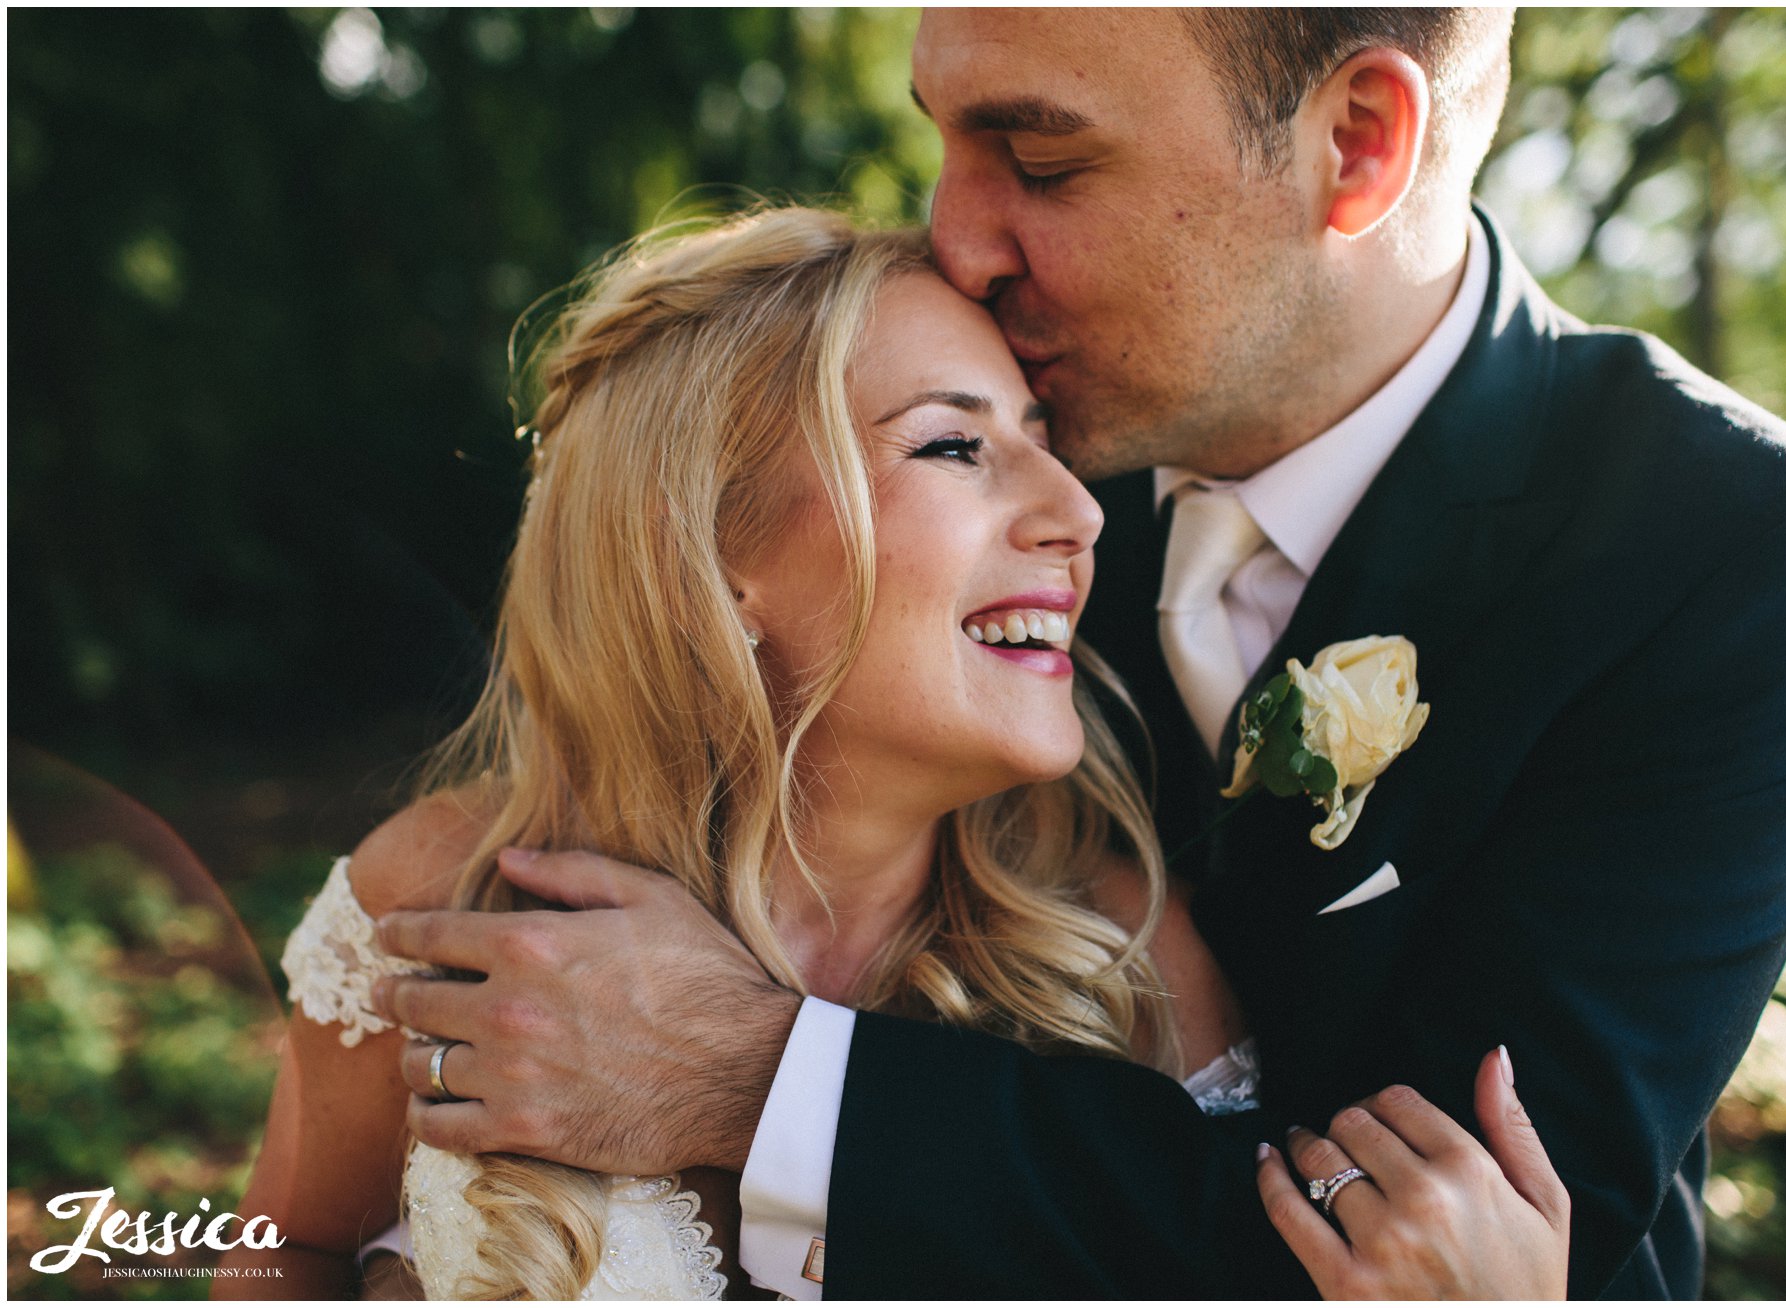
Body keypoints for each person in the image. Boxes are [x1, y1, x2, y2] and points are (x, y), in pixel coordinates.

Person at [359, 9, 1786, 1299]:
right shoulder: (967, 449)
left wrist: (762, 1083)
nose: (957, 242)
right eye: (946, 141)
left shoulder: (1732, 554)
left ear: (1356, 143)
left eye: (1040, 160)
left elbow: (1419, 1248)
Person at [219, 208, 1569, 1300]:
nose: (1073, 514)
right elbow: (288, 1250)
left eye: (1042, 446)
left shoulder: (1125, 964)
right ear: (713, 557)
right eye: (951, 445)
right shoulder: (441, 901)